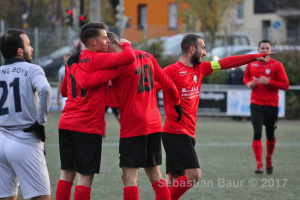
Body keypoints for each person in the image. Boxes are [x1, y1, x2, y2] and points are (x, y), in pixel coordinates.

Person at [69, 31, 183, 200]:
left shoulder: (117, 65)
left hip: (133, 125)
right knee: (155, 174)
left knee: (129, 177)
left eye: (105, 45)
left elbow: (92, 85)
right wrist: (177, 104)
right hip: (154, 123)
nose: (103, 51)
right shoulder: (148, 56)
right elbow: (168, 83)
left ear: (112, 42)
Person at [160, 33, 272, 200]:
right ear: (192, 49)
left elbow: (226, 62)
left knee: (174, 180)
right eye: (203, 48)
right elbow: (152, 85)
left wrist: (254, 57)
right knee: (194, 175)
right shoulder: (171, 71)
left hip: (188, 133)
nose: (205, 53)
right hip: (175, 132)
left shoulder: (201, 69)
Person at [56, 22, 135, 200]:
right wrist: (125, 43)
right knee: (85, 177)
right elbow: (129, 57)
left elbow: (64, 92)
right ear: (93, 41)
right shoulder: (97, 58)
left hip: (67, 121)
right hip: (86, 125)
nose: (108, 40)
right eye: (104, 37)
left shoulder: (74, 61)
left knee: (66, 174)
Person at [0, 29, 51, 200]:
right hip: (25, 140)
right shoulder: (33, 69)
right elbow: (44, 89)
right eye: (29, 45)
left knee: (6, 196)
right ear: (20, 51)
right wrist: (40, 123)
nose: (32, 49)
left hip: (1, 140)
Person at [243, 39, 289, 174]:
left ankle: (268, 158)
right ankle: (259, 165)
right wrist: (248, 84)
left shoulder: (277, 65)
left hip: (272, 106)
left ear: (270, 50)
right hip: (256, 104)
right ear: (258, 50)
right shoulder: (252, 65)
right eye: (262, 48)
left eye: (266, 48)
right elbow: (246, 78)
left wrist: (269, 81)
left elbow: (285, 85)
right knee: (257, 133)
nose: (264, 50)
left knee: (270, 135)